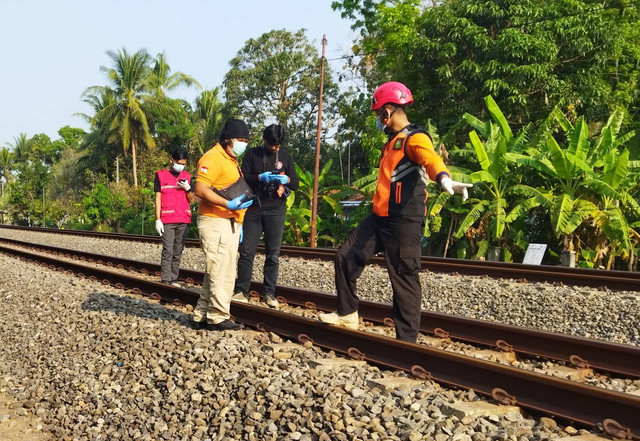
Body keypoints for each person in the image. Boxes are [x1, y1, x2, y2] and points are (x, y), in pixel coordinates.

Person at [319, 81, 472, 343]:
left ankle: (406, 344)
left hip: (404, 221)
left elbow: (431, 160)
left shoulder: (416, 137)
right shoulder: (391, 143)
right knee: (345, 256)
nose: (379, 120)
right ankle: (347, 314)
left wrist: (445, 179)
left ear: (387, 111)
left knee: (403, 278)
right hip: (379, 218)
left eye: (379, 114)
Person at [192, 119, 254, 331]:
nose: (243, 144)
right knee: (222, 271)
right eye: (240, 139)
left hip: (229, 222)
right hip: (215, 221)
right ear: (228, 139)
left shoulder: (230, 159)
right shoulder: (213, 157)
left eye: (246, 140)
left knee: (215, 270)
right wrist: (228, 204)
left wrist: (238, 219)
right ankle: (218, 317)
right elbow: (200, 189)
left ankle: (201, 314)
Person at [232, 124, 299, 307]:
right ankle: (241, 291)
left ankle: (269, 293)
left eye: (277, 145)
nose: (274, 148)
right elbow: (243, 177)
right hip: (253, 209)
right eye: (271, 144)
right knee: (247, 252)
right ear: (264, 139)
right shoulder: (252, 154)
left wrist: (287, 180)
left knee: (273, 255)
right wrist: (260, 178)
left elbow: (296, 184)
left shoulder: (285, 157)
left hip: (276, 210)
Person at [154, 146, 195, 286]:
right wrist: (157, 219)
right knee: (168, 250)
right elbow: (158, 198)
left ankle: (173, 278)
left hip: (183, 218)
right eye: (179, 163)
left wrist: (188, 189)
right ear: (172, 160)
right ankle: (166, 280)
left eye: (184, 164)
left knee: (178, 250)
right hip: (167, 219)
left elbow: (192, 199)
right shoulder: (160, 175)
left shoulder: (187, 177)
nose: (181, 166)